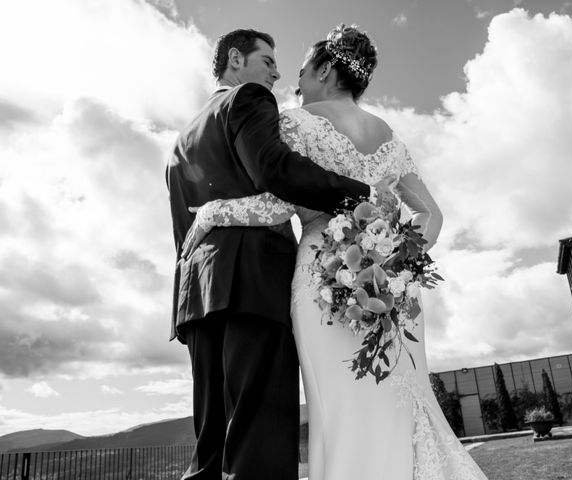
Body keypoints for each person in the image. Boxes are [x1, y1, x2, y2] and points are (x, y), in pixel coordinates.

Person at [183, 25, 489, 480]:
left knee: (339, 406)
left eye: (303, 71)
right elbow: (432, 215)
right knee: (399, 400)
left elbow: (278, 204)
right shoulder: (389, 136)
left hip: (323, 282)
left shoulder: (297, 122)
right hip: (392, 294)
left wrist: (213, 212)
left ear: (325, 70)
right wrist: (393, 263)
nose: (295, 80)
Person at [166, 29, 394, 480]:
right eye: (267, 59)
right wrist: (361, 195)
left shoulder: (180, 140)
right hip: (253, 285)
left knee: (210, 447)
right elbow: (275, 170)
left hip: (196, 298)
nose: (276, 70)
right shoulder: (248, 99)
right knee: (258, 444)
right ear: (236, 60)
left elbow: (184, 227)